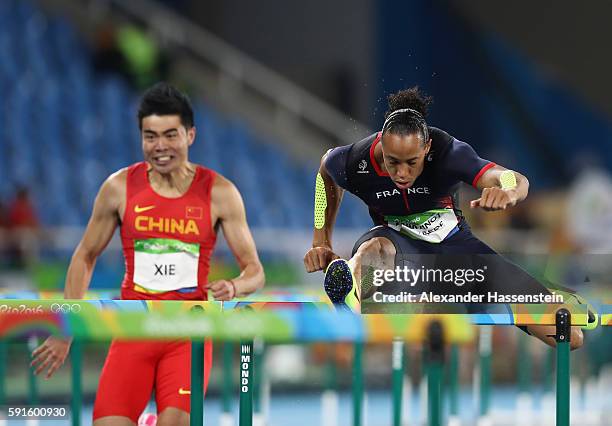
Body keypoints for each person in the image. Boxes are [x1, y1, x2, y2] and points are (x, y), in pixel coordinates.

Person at [31, 82, 265, 425]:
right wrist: (67, 328)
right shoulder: (118, 188)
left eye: (171, 135)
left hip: (188, 332)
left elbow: (255, 271)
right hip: (134, 328)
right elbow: (85, 255)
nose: (160, 147)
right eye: (150, 136)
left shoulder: (220, 193)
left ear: (191, 135)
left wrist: (233, 287)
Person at [304, 86, 583, 350]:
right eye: (392, 162)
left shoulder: (449, 152)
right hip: (400, 250)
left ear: (426, 149)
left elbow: (510, 176)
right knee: (374, 249)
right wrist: (321, 241)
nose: (401, 173)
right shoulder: (355, 160)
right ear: (381, 147)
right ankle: (350, 290)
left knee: (569, 335)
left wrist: (509, 191)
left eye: (411, 162)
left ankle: (479, 300)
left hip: (458, 253)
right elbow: (325, 174)